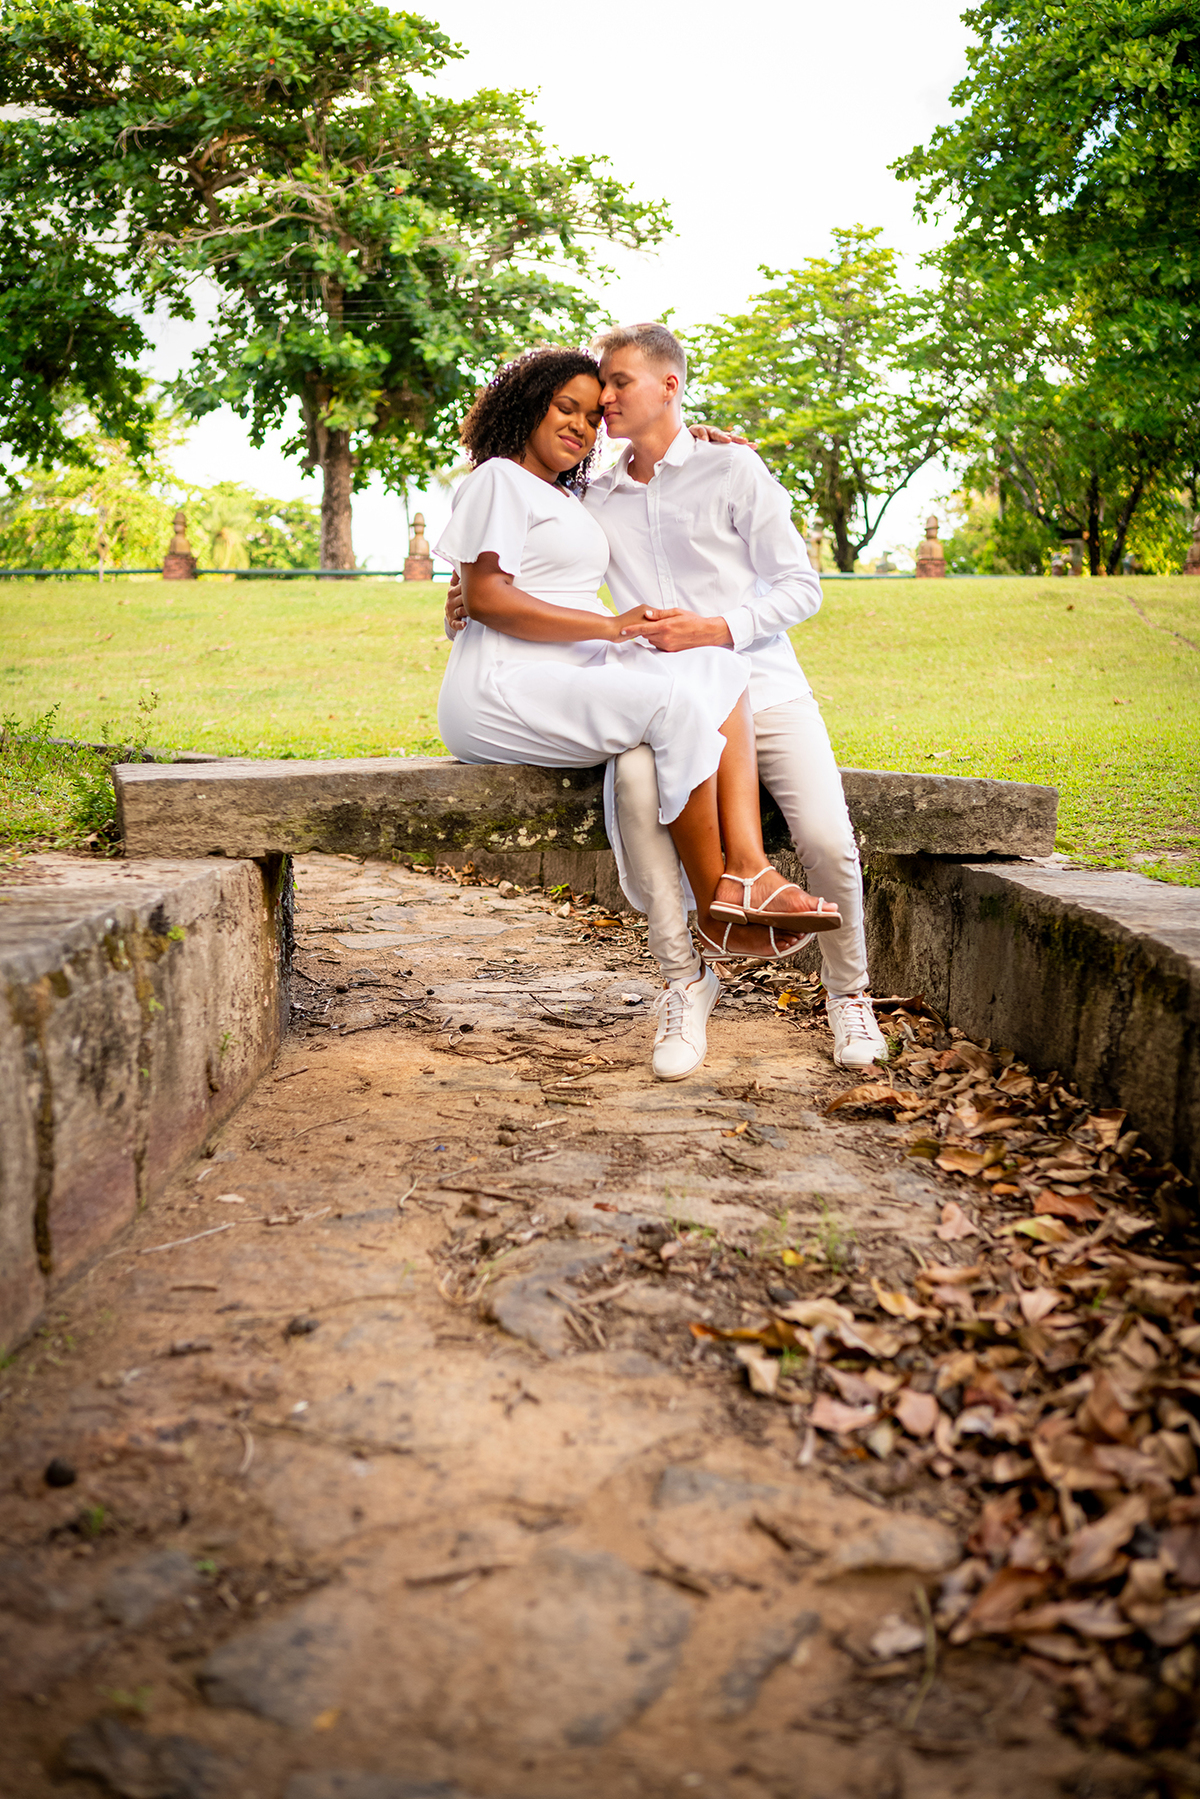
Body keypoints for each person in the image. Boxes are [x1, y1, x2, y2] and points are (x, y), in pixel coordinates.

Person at [447, 325, 887, 1080]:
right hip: (646, 691)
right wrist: (465, 594)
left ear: (669, 386)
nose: (603, 404)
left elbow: (801, 586)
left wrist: (719, 628)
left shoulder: (733, 469)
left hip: (765, 686)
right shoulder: (592, 489)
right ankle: (684, 981)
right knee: (641, 790)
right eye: (591, 394)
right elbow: (516, 551)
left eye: (616, 385)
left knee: (824, 836)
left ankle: (849, 995)